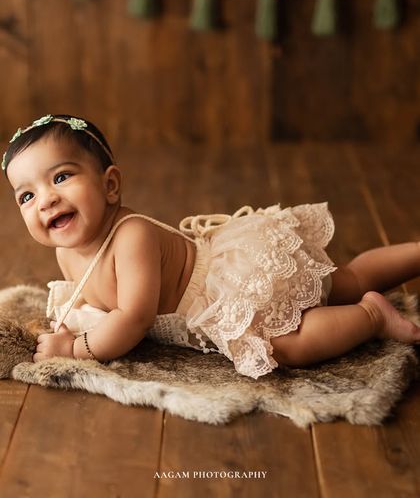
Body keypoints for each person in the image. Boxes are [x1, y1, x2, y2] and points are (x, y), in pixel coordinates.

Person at [2, 114, 420, 379]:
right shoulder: (64, 252)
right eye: (26, 196)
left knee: (286, 343)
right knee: (343, 279)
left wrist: (75, 349)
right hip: (229, 276)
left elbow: (132, 319)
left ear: (110, 185)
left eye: (60, 178)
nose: (46, 200)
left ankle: (371, 316)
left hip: (228, 290)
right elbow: (97, 306)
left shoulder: (132, 236)